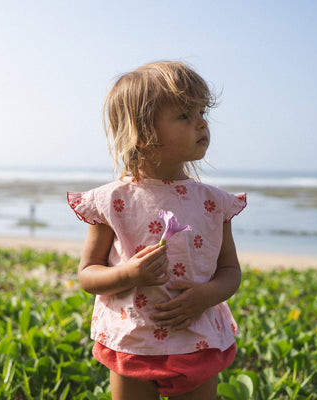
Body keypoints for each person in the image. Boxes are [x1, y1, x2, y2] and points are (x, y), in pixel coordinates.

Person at [67, 61, 247, 400]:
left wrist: (206, 296)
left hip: (196, 339)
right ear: (142, 132)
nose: (201, 122)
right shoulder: (113, 200)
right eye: (184, 115)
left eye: (201, 111)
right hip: (132, 338)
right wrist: (128, 274)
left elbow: (230, 271)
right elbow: (88, 275)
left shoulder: (215, 203)